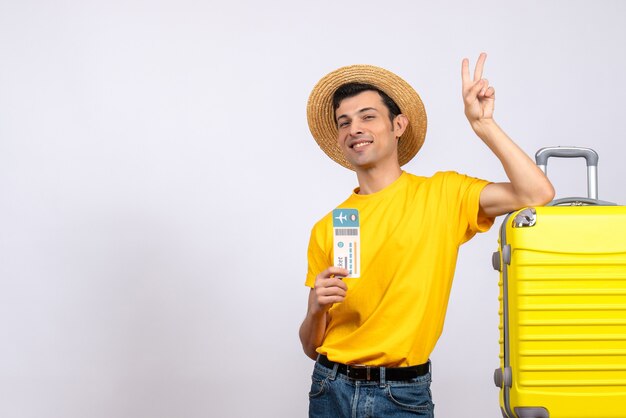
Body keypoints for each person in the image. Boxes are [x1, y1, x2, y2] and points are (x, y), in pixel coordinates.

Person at [298, 53, 555, 418]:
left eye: (368, 116)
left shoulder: (443, 194)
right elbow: (313, 345)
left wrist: (484, 125)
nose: (354, 128)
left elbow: (536, 194)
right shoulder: (331, 225)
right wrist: (316, 309)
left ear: (398, 125)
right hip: (329, 388)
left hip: (401, 396)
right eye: (344, 122)